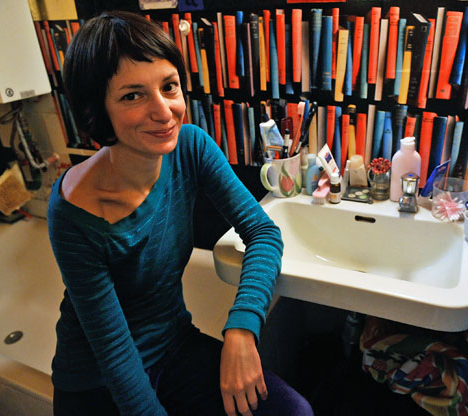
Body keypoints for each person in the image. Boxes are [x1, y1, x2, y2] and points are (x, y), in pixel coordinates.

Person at [47, 10, 312, 416]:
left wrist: (242, 329)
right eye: (132, 95)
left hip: (172, 345)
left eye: (168, 87)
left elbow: (263, 233)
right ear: (98, 110)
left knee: (292, 411)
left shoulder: (191, 147)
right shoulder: (73, 211)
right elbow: (114, 351)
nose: (163, 111)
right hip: (96, 380)